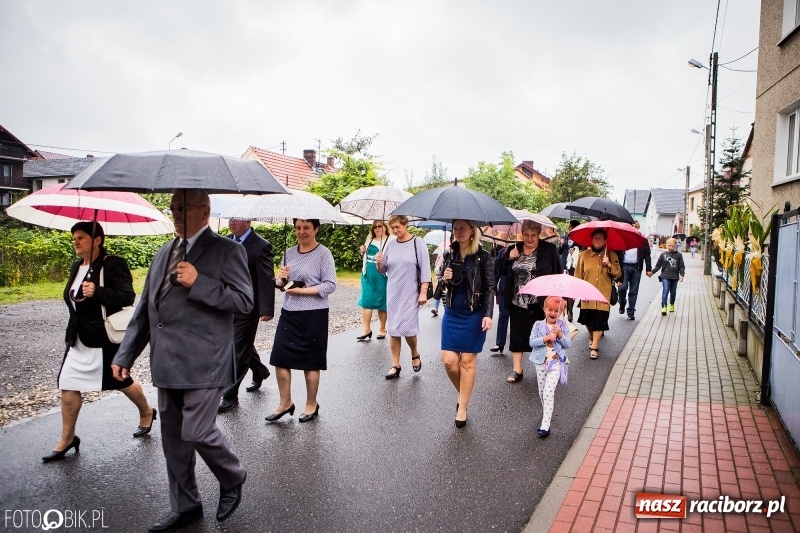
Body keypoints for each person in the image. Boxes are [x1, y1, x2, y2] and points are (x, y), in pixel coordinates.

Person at [112, 189, 253, 531]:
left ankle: (232, 474)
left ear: (205, 212)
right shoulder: (164, 252)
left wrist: (199, 283)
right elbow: (147, 308)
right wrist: (126, 353)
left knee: (197, 430)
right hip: (167, 361)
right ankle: (186, 505)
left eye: (184, 208)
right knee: (173, 440)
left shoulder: (227, 250)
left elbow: (244, 301)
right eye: (173, 208)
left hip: (206, 360)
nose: (176, 214)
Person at [42, 221, 156, 463]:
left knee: (120, 380)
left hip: (103, 338)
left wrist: (99, 291)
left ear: (97, 240)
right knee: (67, 384)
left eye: (81, 237)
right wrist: (70, 332)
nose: (75, 241)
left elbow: (127, 296)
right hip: (78, 339)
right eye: (74, 237)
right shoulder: (77, 266)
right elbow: (74, 304)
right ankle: (67, 438)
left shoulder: (112, 263)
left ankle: (147, 411)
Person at [267, 219, 337, 422]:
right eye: (298, 228)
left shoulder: (324, 253)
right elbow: (282, 284)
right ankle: (285, 402)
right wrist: (280, 279)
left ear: (316, 229)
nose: (301, 232)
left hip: (314, 314)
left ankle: (311, 404)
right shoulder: (288, 252)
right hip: (289, 311)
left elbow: (330, 285)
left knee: (311, 361)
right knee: (279, 357)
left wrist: (303, 291)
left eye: (306, 228)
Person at [438, 219, 494, 428]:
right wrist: (444, 278)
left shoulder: (484, 257)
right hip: (452, 313)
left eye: (463, 228)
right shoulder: (448, 254)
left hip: (474, 314)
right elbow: (440, 287)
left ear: (472, 230)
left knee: (468, 361)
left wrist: (488, 314)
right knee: (449, 361)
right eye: (455, 228)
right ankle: (463, 393)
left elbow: (489, 288)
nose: (458, 232)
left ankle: (462, 406)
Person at [218, 219, 275, 413]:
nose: (231, 223)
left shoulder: (261, 246)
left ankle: (230, 395)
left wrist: (266, 309)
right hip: (228, 304)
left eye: (236, 219)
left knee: (237, 349)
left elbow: (265, 279)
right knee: (240, 343)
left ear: (247, 221)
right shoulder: (225, 241)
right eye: (230, 219)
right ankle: (260, 371)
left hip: (248, 307)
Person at [496, 220, 562, 383]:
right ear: (522, 234)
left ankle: (548, 366)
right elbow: (499, 270)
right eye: (526, 235)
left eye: (533, 235)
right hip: (517, 301)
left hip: (541, 303)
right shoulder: (514, 248)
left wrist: (559, 299)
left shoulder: (549, 250)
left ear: (539, 235)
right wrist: (508, 259)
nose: (529, 238)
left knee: (544, 335)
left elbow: (558, 273)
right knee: (517, 336)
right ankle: (517, 369)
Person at [375, 215, 431, 380]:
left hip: (410, 292)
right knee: (393, 330)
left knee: (408, 329)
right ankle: (395, 364)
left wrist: (423, 291)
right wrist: (379, 262)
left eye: (398, 227)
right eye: (392, 228)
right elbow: (383, 269)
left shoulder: (417, 243)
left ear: (406, 225)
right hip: (393, 291)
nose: (395, 230)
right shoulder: (391, 245)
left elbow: (426, 269)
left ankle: (414, 352)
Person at [574, 229, 621, 360]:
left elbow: (618, 273)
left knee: (599, 321)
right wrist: (577, 291)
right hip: (587, 294)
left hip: (603, 294)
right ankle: (591, 336)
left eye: (601, 237)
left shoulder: (611, 255)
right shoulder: (583, 255)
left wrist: (609, 264)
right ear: (592, 239)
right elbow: (578, 275)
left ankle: (595, 346)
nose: (598, 239)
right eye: (595, 237)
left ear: (605, 241)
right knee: (588, 321)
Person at [528, 295, 571, 438]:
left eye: (556, 311)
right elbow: (532, 342)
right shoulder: (537, 325)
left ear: (561, 312)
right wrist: (545, 338)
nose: (553, 313)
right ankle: (546, 410)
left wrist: (559, 335)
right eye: (550, 310)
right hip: (540, 363)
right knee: (541, 392)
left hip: (555, 363)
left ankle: (545, 424)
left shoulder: (562, 326)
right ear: (544, 309)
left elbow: (567, 344)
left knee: (548, 392)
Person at [357, 220, 390, 339]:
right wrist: (362, 252)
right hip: (367, 273)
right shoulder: (369, 238)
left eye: (380, 226)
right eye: (375, 227)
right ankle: (366, 329)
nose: (377, 228)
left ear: (385, 227)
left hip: (382, 275)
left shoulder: (391, 240)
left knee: (382, 303)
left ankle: (382, 328)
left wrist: (383, 258)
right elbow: (364, 256)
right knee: (366, 301)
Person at [616, 220, 652, 321]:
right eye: (632, 226)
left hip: (637, 267)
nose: (634, 228)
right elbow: (618, 255)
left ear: (638, 227)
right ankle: (622, 303)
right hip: (624, 266)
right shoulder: (623, 237)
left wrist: (648, 269)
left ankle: (631, 311)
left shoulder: (642, 239)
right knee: (622, 288)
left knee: (633, 290)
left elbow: (647, 255)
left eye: (635, 226)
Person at [649, 237, 685, 316]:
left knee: (673, 292)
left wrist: (682, 274)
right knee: (665, 290)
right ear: (666, 245)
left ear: (675, 245)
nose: (670, 247)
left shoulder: (679, 255)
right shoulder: (663, 254)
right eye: (669, 245)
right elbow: (658, 266)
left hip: (675, 277)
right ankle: (664, 307)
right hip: (665, 276)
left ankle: (671, 304)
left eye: (672, 246)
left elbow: (682, 266)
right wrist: (652, 272)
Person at [489, 243, 510, 352]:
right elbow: (498, 270)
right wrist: (493, 286)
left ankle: (518, 345)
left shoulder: (524, 251)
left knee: (517, 318)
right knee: (503, 315)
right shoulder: (503, 252)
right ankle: (499, 343)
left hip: (518, 289)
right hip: (503, 287)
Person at [431, 248, 444, 317]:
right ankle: (436, 308)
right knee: (440, 290)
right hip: (442, 276)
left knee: (439, 290)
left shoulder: (442, 252)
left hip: (441, 275)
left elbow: (436, 264)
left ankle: (435, 308)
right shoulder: (445, 253)